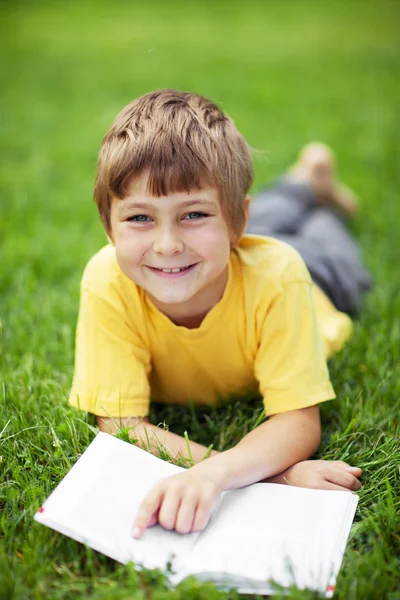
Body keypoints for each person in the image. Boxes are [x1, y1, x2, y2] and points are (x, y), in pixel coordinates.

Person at [68, 90, 372, 539]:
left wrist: (217, 476)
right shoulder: (108, 280)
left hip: (319, 279)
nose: (167, 243)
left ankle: (312, 186)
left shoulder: (282, 275)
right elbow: (122, 425)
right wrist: (269, 477)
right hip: (217, 254)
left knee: (325, 234)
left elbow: (298, 421)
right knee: (262, 216)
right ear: (108, 227)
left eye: (192, 213)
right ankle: (303, 176)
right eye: (140, 218)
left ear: (235, 222)